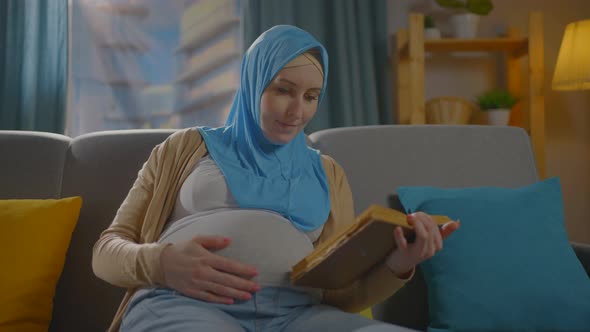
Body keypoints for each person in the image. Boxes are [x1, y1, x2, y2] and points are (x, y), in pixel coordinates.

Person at [92, 25, 459, 332]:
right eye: (283, 90)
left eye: (311, 96)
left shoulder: (328, 173)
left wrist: (400, 262)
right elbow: (106, 250)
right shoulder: (184, 148)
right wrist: (162, 263)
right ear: (254, 84)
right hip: (184, 304)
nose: (297, 111)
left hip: (297, 316)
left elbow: (343, 295)